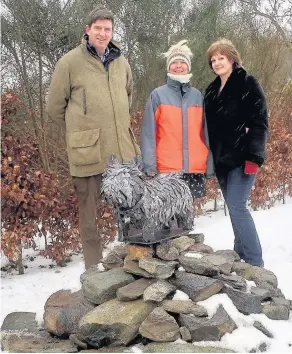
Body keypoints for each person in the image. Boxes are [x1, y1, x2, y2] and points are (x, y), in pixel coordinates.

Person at [47, 7, 140, 269]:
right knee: (90, 220)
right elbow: (55, 108)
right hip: (87, 154)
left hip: (122, 152)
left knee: (131, 213)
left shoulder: (122, 62)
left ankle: (136, 267)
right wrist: (81, 131)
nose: (102, 33)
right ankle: (94, 275)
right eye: (97, 28)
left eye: (107, 29)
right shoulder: (69, 63)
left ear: (112, 32)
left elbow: (128, 97)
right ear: (87, 30)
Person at [204, 38, 268, 267]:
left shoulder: (248, 83)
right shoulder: (211, 91)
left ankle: (255, 262)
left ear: (231, 59)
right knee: (233, 208)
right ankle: (239, 254)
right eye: (213, 59)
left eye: (221, 58)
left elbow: (260, 122)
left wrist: (254, 156)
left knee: (237, 206)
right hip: (222, 160)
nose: (217, 62)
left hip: (243, 158)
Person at [141, 40, 214, 203]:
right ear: (168, 66)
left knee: (187, 216)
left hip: (193, 168)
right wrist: (149, 165)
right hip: (166, 169)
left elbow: (206, 133)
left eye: (182, 62)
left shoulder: (198, 96)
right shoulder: (157, 95)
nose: (179, 66)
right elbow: (148, 135)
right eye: (174, 62)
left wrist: (209, 165)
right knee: (166, 217)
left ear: (188, 66)